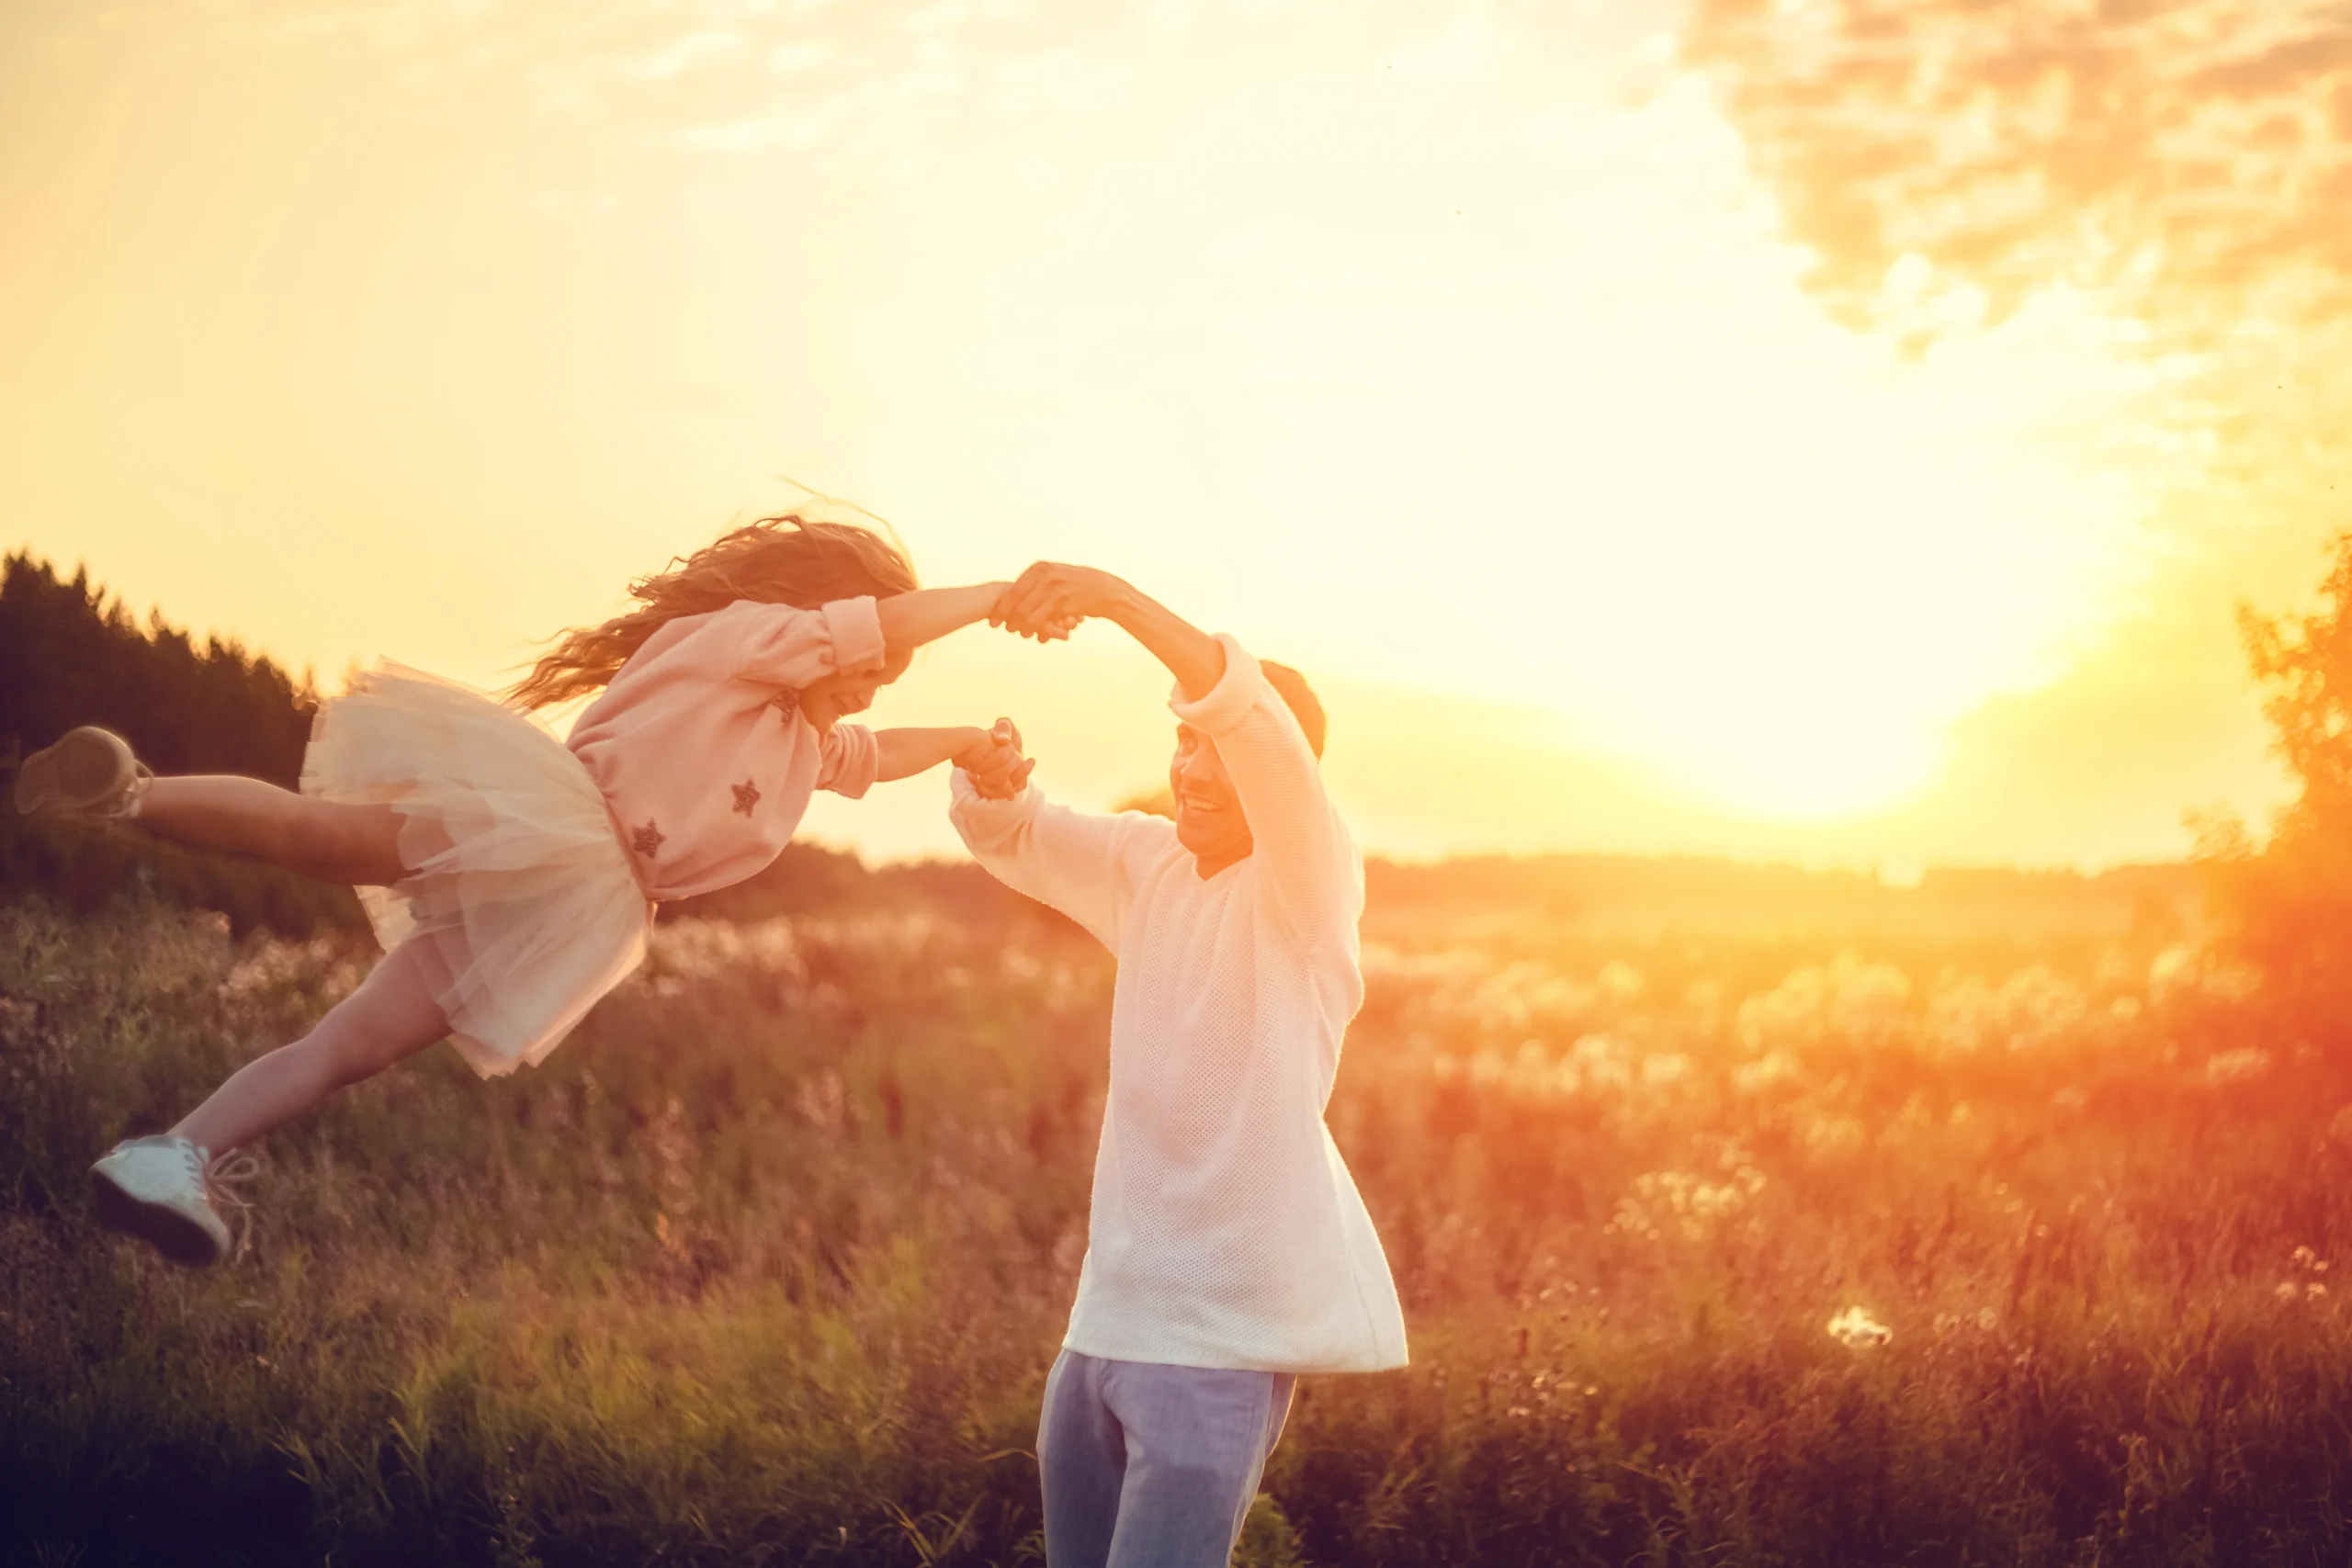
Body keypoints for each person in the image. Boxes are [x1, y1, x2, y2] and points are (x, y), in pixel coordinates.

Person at [14, 510, 1038, 1269]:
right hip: (546, 824)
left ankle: (173, 1153)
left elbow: (876, 752)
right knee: (322, 836)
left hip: (570, 901)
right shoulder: (745, 639)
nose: (873, 679)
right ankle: (131, 794)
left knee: (348, 1047)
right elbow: (858, 637)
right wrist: (996, 599)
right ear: (830, 615)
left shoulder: (800, 743)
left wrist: (972, 743)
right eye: (877, 657)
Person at [955, 562, 1408, 1567]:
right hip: (1100, 1333)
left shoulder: (1306, 894)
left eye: (1215, 749)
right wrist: (994, 779)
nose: (1193, 770)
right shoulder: (1148, 867)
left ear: (1281, 780)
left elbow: (1253, 723)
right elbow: (1019, 833)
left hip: (1216, 1354)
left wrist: (1113, 600)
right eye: (1180, 746)